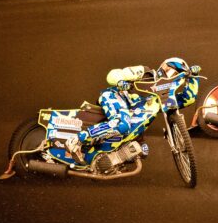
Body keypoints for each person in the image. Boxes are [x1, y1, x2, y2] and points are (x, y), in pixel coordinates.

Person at [66, 58, 200, 163]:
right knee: (122, 124)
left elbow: (188, 99)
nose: (172, 77)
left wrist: (193, 78)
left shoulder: (162, 100)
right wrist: (120, 82)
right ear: (163, 68)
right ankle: (76, 140)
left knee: (142, 150)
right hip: (116, 96)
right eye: (171, 71)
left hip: (131, 118)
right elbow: (113, 74)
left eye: (177, 75)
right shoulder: (145, 72)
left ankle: (104, 159)